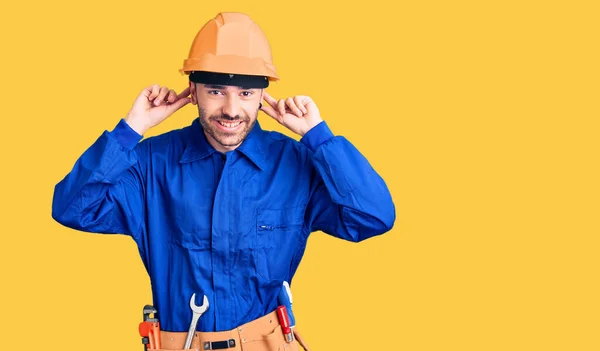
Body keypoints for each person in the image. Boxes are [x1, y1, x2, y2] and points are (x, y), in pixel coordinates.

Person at [52, 11, 395, 351]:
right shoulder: (150, 164)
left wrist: (319, 138)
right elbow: (72, 208)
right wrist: (130, 130)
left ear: (263, 95)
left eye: (245, 93)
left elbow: (374, 217)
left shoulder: (297, 164)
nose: (231, 109)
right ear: (193, 90)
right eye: (216, 91)